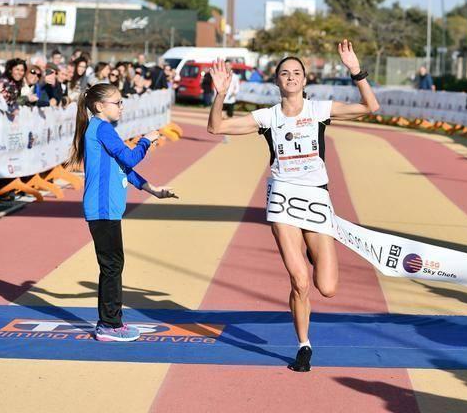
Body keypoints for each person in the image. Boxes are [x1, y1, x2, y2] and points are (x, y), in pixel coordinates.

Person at [206, 39, 380, 372]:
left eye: (296, 73)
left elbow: (371, 107)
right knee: (299, 280)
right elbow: (216, 128)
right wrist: (220, 94)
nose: (291, 77)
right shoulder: (267, 117)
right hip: (283, 199)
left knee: (326, 288)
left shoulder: (320, 110)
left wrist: (356, 71)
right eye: (284, 73)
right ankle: (304, 345)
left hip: (316, 199)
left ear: (304, 80)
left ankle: (317, 249)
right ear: (276, 81)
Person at [66, 83, 177, 342]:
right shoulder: (102, 128)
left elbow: (123, 168)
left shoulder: (103, 129)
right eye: (117, 102)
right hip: (102, 208)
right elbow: (129, 158)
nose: (121, 106)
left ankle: (110, 321)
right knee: (112, 265)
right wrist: (146, 141)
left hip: (108, 208)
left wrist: (153, 189)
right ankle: (109, 324)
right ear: (99, 106)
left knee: (113, 264)